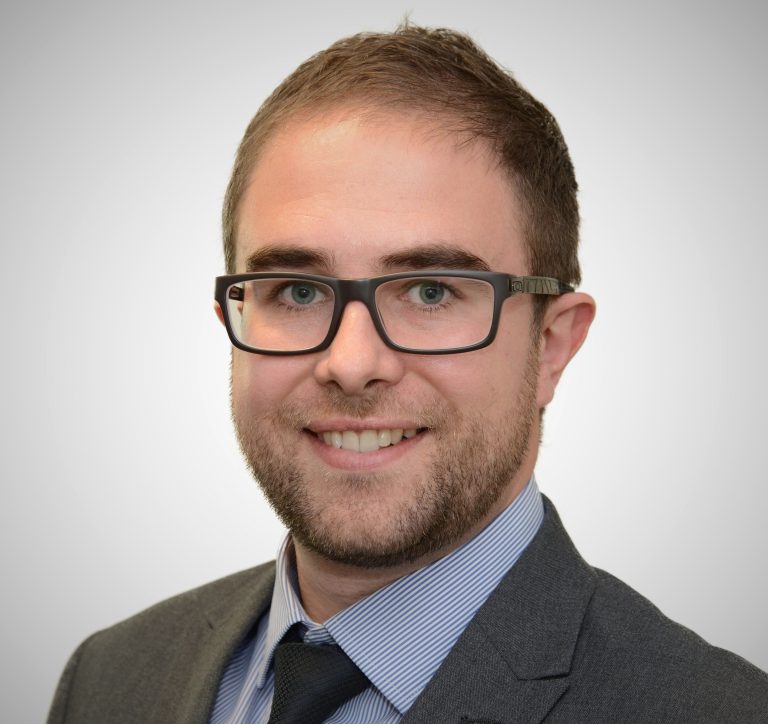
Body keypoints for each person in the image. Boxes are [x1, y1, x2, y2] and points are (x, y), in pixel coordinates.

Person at [48, 23, 768, 724]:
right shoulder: (109, 677)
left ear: (551, 345)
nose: (351, 364)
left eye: (430, 292)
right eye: (296, 292)